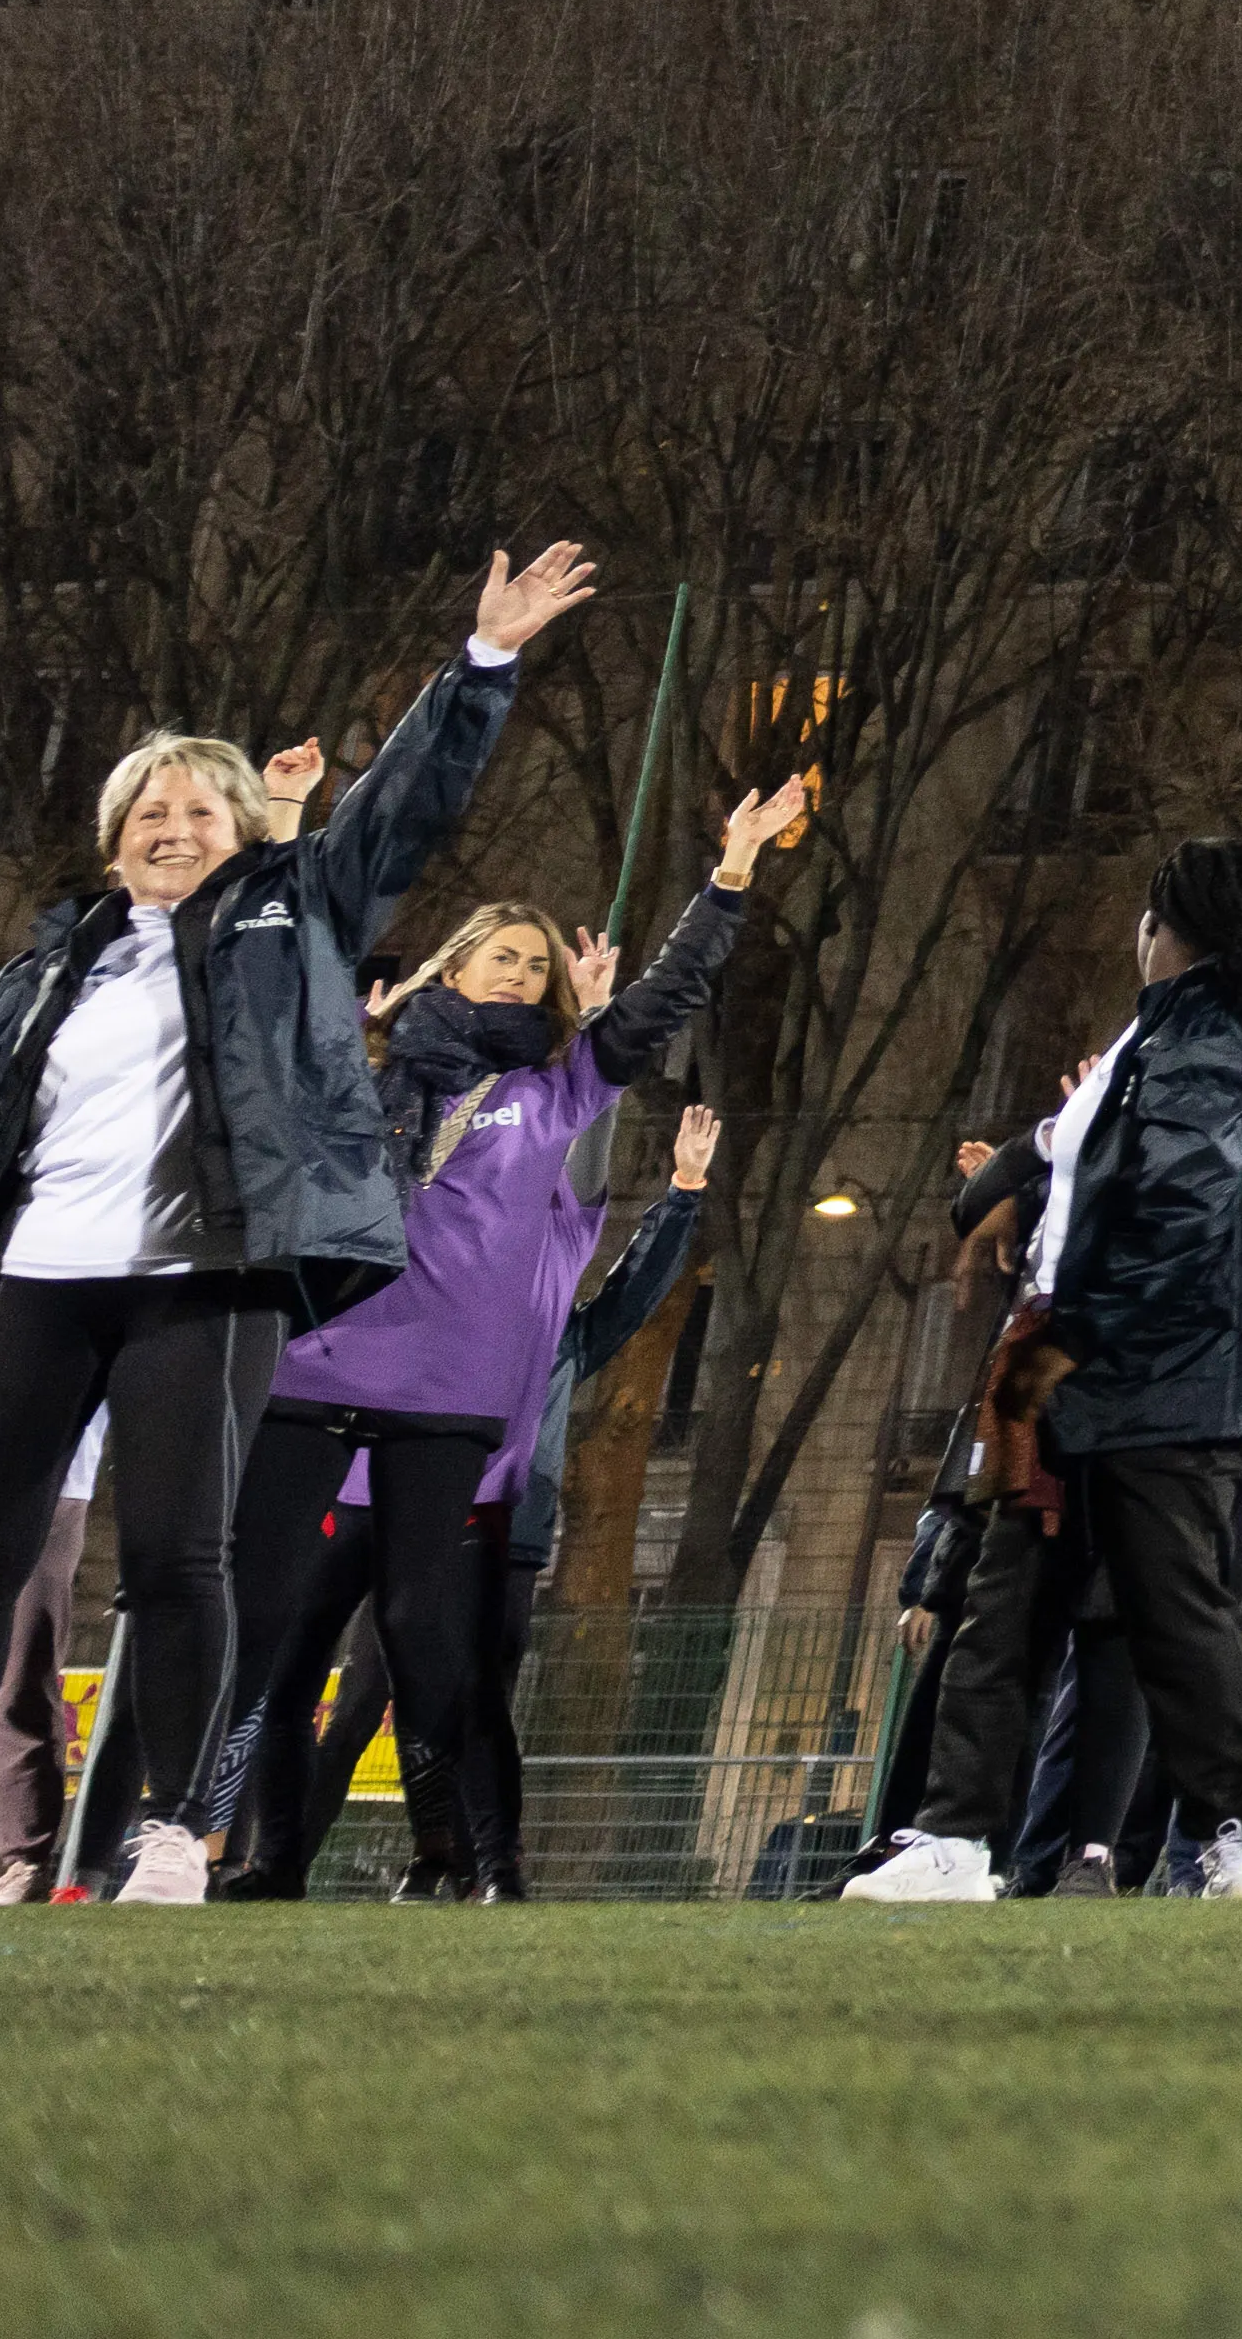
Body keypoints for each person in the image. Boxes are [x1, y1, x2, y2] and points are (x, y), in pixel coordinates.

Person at [0, 542, 597, 1909]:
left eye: (201, 812)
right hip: (38, 1283)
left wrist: (484, 667)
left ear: (241, 835)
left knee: (177, 1558)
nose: (174, 826)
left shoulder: (290, 917)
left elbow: (404, 812)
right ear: (115, 838)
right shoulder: (51, 962)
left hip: (202, 1280)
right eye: (149, 810)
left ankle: (172, 1834)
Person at [212, 766, 805, 1896]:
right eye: (506, 956)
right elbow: (280, 999)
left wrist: (731, 871)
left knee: (429, 1641)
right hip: (323, 1362)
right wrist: (286, 832)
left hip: (446, 1397)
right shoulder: (376, 1059)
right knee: (284, 1650)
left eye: (538, 967)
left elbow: (666, 996)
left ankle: (475, 1859)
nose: (525, 976)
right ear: (453, 964)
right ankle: (265, 1860)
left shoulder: (561, 1085)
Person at [846, 838, 1242, 1902]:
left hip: (1133, 1372)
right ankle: (958, 1838)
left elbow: (1178, 1215)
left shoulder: (1201, 1040)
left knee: (1166, 1615)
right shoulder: (1179, 1035)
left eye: (1149, 915)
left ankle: (1228, 1837)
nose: (1136, 934)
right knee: (1011, 1602)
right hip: (1091, 1362)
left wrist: (1074, 1337)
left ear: (1173, 928)